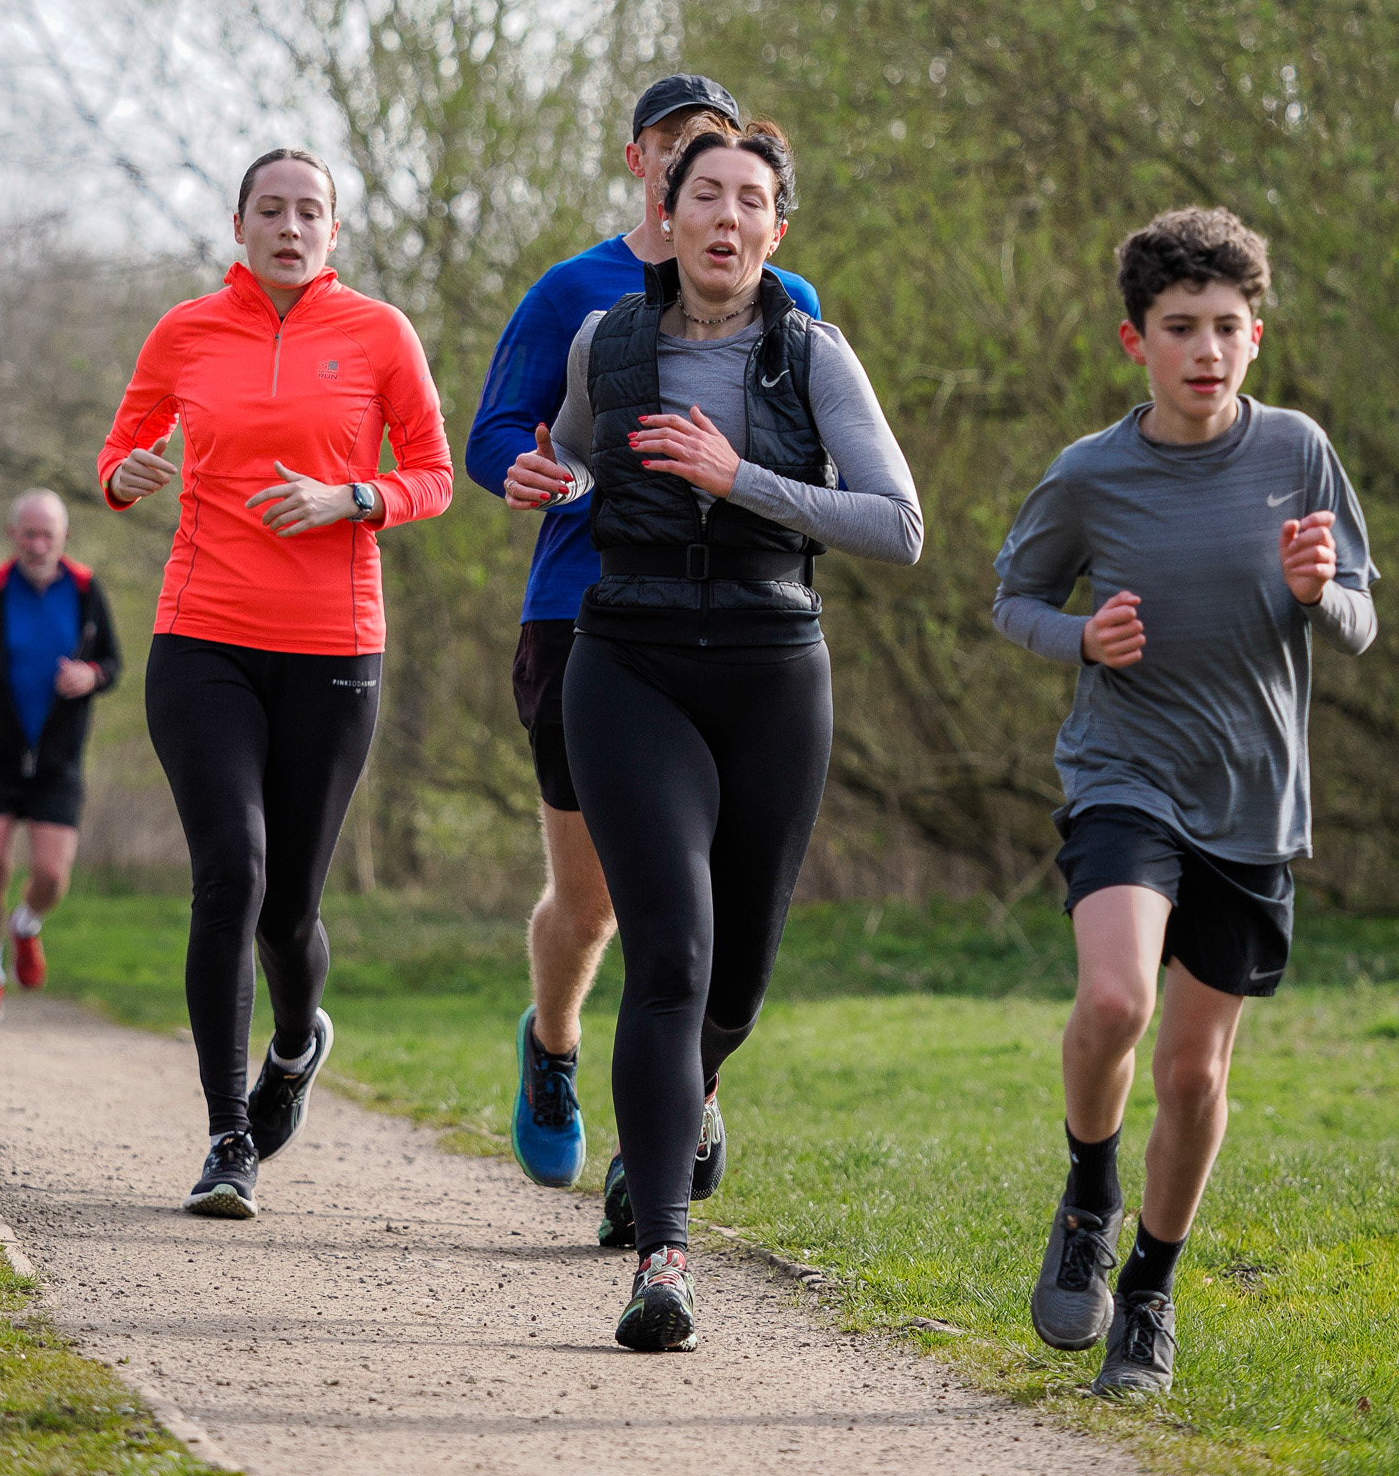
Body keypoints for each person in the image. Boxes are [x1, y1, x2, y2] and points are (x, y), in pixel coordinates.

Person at [508, 119, 922, 1351]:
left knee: (734, 977)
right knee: (671, 960)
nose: (727, 219)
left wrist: (735, 476)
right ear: (668, 209)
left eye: (752, 201)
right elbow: (574, 453)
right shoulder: (605, 338)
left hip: (771, 666)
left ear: (775, 231)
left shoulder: (814, 355)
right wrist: (551, 481)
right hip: (626, 662)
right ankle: (663, 1257)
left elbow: (897, 524)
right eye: (707, 195)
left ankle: (678, 1110)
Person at [993, 208, 1378, 1400]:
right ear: (1135, 340)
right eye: (1180, 328)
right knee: (1113, 996)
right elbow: (1015, 597)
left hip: (1255, 800)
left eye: (1226, 326)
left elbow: (1362, 616)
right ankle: (1089, 1193)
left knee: (1197, 1077)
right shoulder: (1091, 473)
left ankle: (1149, 1293)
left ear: (1255, 335)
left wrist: (1321, 592)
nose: (1206, 348)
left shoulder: (1301, 451)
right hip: (1127, 775)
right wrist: (1083, 638)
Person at [467, 74, 821, 1237]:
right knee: (597, 901)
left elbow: (826, 466)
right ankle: (555, 1042)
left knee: (702, 919)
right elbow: (499, 434)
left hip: (743, 634)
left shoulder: (788, 301)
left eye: (730, 169)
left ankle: (667, 1127)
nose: (708, 187)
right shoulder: (575, 295)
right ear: (645, 167)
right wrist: (524, 469)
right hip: (588, 615)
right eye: (683, 157)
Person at [99, 147, 453, 1221]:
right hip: (202, 636)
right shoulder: (186, 330)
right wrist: (126, 474)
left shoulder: (381, 333)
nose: (290, 226)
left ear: (333, 232)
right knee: (231, 875)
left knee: (289, 905)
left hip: (334, 649)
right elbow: (118, 455)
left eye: (310, 211)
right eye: (271, 209)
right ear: (239, 224)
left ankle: (297, 1043)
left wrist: (354, 494)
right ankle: (227, 1134)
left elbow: (434, 473)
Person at [0, 490, 122, 1019]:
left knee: (51, 875)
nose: (39, 544)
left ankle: (26, 925)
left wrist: (93, 675)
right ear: (13, 534)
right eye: (30, 534)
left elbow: (113, 661)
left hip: (58, 761)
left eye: (49, 535)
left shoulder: (85, 590)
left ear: (63, 537)